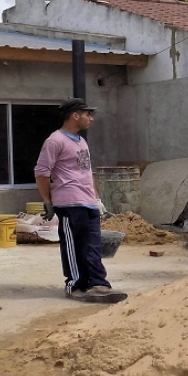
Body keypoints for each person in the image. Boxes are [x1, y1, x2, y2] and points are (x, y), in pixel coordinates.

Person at [35, 98, 127, 303]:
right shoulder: (55, 140)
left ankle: (97, 283)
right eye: (87, 114)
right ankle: (75, 284)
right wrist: (48, 202)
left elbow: (87, 172)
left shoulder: (81, 141)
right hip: (68, 203)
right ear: (75, 115)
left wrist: (97, 198)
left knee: (92, 245)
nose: (90, 118)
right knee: (73, 245)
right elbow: (41, 172)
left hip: (88, 202)